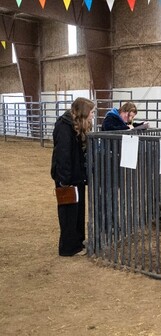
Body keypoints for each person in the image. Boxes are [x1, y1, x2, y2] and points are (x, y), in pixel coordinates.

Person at [51, 97, 95, 256]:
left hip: (76, 176)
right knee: (68, 213)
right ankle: (68, 248)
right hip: (67, 178)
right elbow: (63, 155)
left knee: (77, 211)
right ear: (84, 112)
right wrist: (64, 180)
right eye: (91, 112)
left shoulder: (75, 126)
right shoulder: (64, 126)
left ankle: (78, 243)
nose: (92, 116)